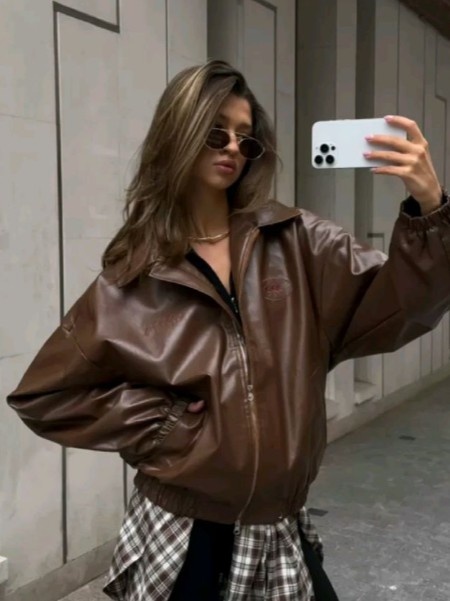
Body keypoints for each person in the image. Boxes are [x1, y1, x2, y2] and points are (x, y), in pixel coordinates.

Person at [6, 59, 450, 601]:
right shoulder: (134, 276)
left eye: (246, 138)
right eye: (216, 132)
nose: (234, 148)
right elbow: (46, 396)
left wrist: (430, 208)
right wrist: (166, 425)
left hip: (275, 527)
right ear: (180, 133)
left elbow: (403, 306)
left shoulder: (298, 242)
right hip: (181, 531)